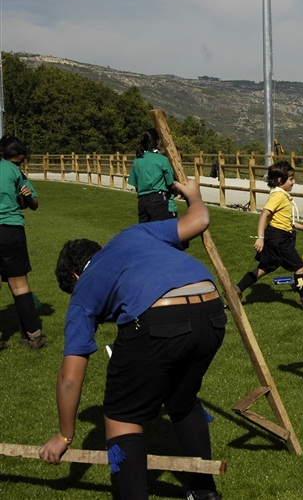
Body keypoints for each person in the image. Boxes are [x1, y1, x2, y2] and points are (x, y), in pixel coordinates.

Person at [40, 179, 226, 500]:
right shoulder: (134, 234)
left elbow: (70, 377)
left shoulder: (84, 289)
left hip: (159, 317)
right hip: (211, 309)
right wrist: (194, 195)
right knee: (182, 401)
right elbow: (199, 221)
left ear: (74, 277)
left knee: (121, 416)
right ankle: (203, 492)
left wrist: (64, 435)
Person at [234, 160, 303, 310]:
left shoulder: (281, 195)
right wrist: (260, 238)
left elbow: (283, 219)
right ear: (280, 180)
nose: (294, 182)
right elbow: (264, 214)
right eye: (291, 179)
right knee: (299, 267)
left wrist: (300, 226)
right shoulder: (278, 196)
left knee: (266, 268)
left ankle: (236, 290)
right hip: (278, 238)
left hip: (276, 236)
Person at [0, 135, 44, 351]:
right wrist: (25, 197)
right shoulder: (16, 172)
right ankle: (33, 335)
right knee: (19, 285)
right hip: (10, 230)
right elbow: (33, 204)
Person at [127, 128, 177, 223]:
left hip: (142, 202)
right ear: (157, 141)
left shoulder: (137, 161)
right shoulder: (162, 159)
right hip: (158, 200)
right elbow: (170, 182)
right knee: (160, 232)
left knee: (145, 233)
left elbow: (135, 184)